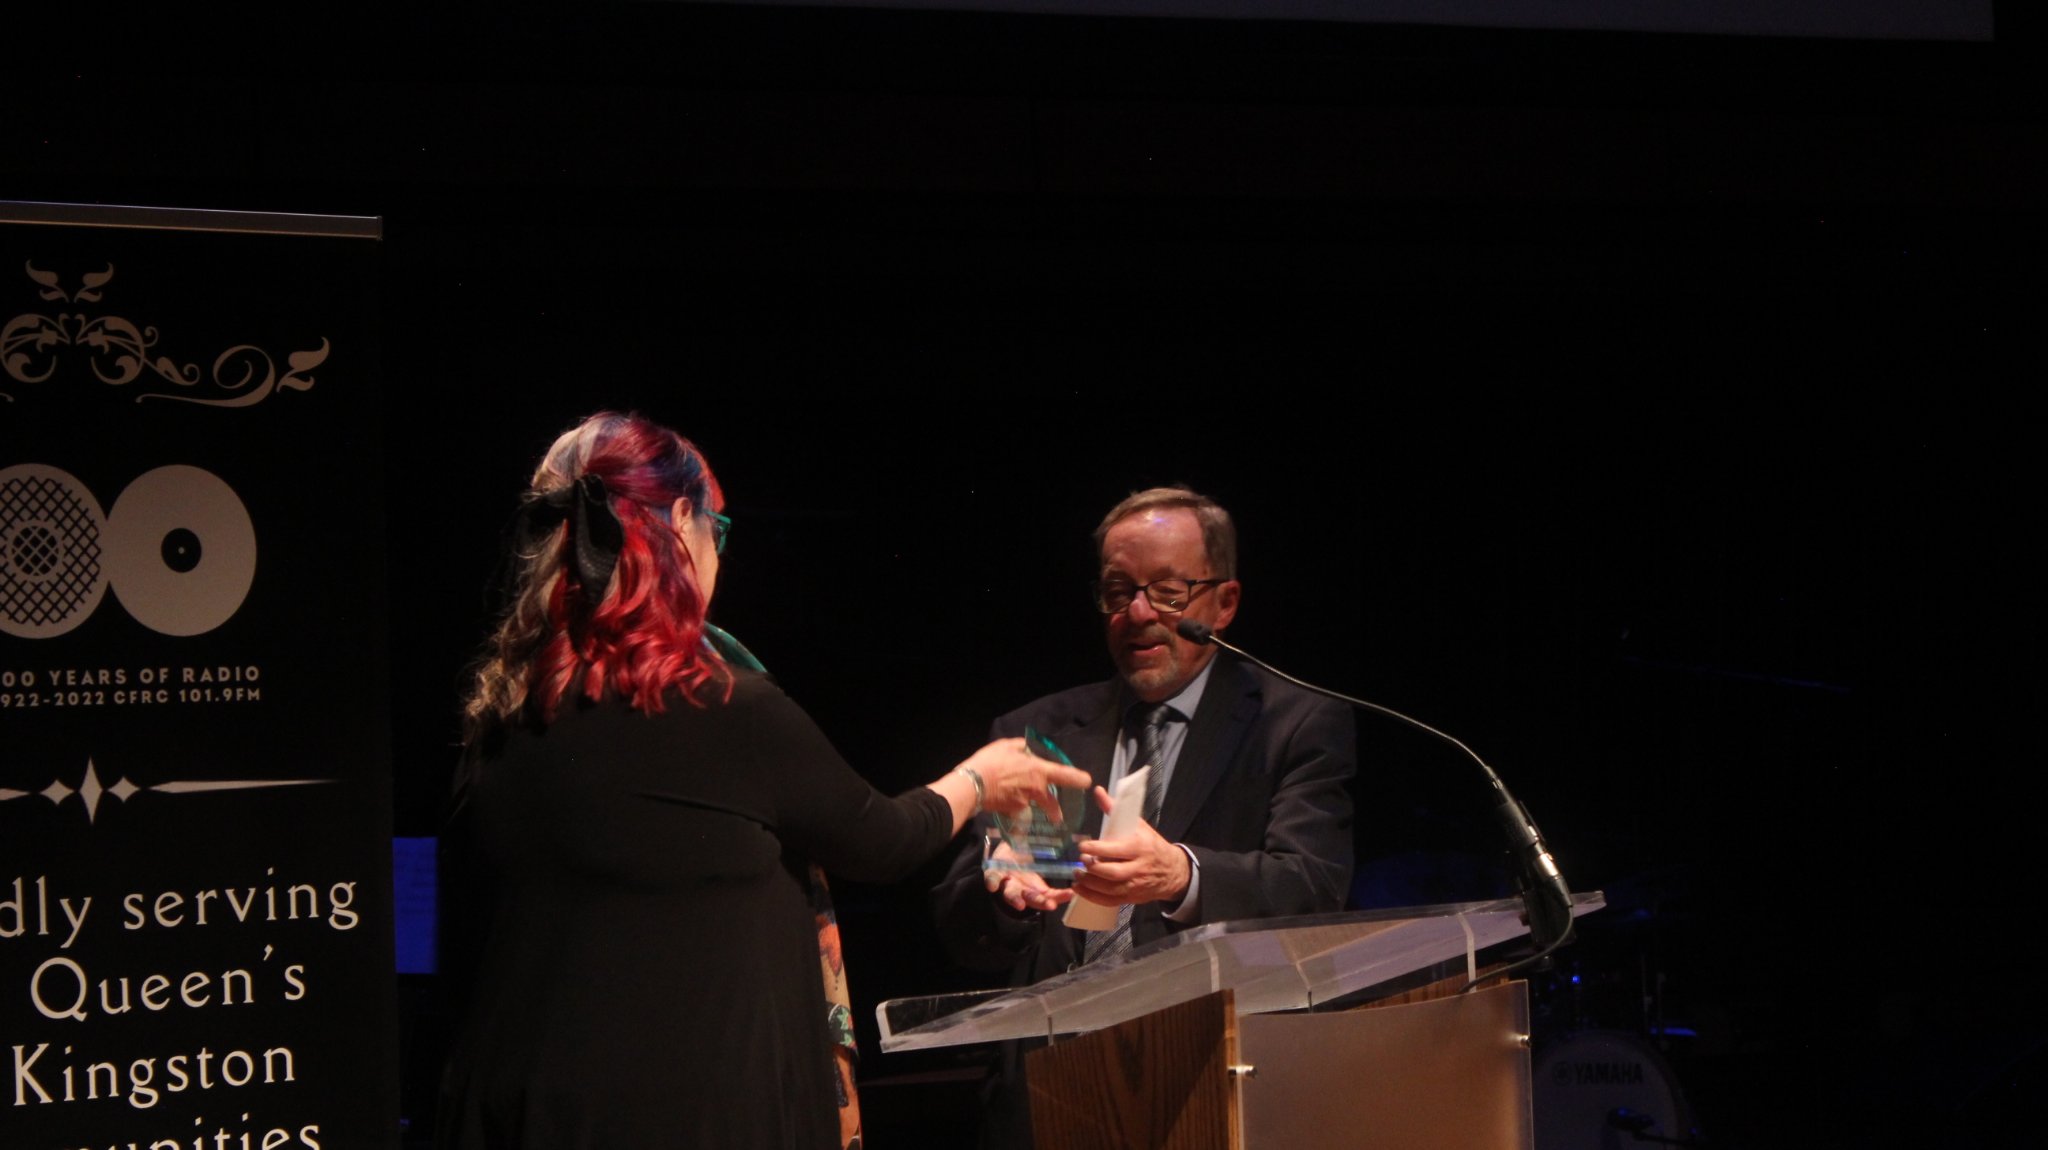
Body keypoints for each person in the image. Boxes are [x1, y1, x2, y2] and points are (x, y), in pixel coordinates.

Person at [433, 411, 1090, 1150]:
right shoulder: (721, 705)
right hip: (687, 1110)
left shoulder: (500, 716)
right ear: (682, 521)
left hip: (519, 1109)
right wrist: (981, 777)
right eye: (719, 528)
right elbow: (881, 840)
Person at [930, 484, 1357, 1150]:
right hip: (1047, 1093)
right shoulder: (1040, 734)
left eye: (1166, 592)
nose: (1136, 614)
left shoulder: (1294, 724)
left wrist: (1180, 876)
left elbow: (1313, 887)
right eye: (1117, 591)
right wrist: (1009, 898)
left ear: (1224, 602)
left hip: (1213, 1082)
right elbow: (962, 928)